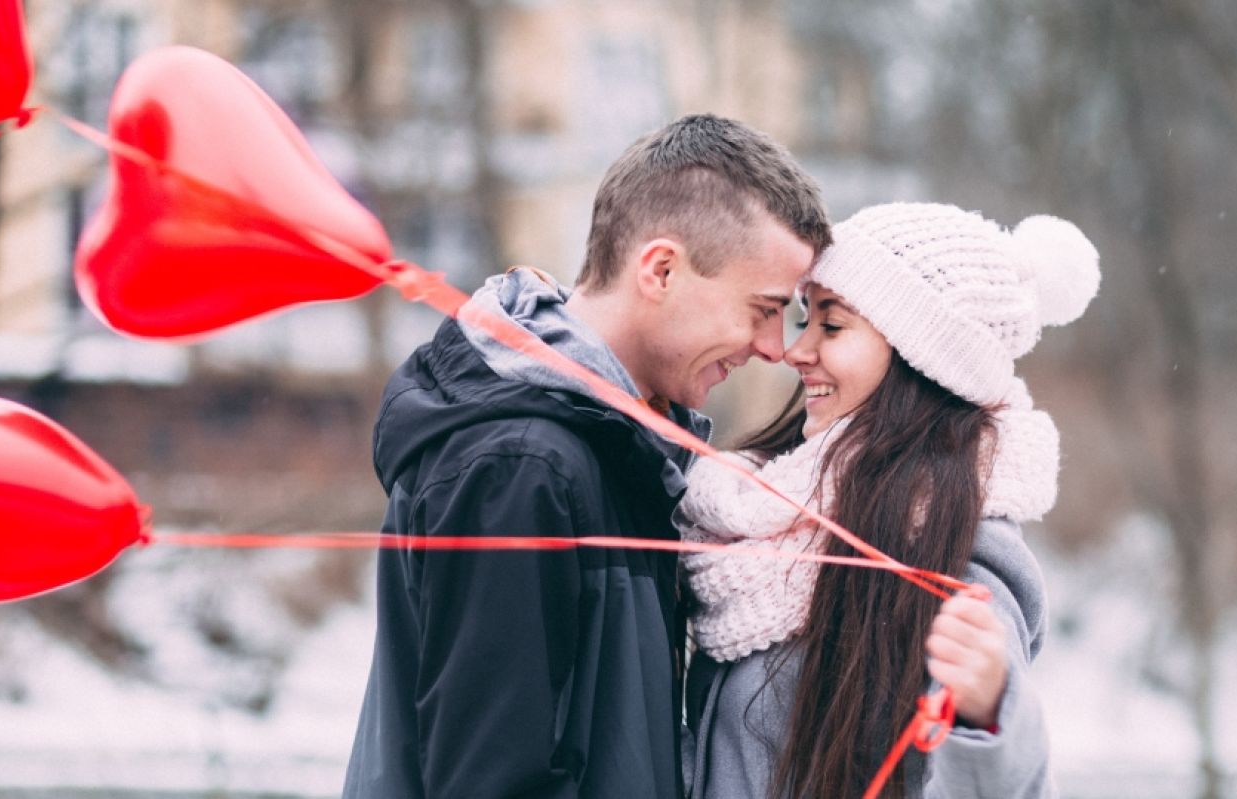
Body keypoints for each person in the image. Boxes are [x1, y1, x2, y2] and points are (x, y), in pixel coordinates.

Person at [342, 114, 831, 799]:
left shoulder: (616, 451)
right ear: (660, 269)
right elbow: (493, 782)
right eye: (761, 308)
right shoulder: (521, 466)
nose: (774, 347)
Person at [680, 202, 1100, 797]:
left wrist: (986, 715)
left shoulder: (958, 552)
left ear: (920, 358)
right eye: (806, 319)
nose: (798, 351)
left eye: (832, 325)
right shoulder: (752, 522)